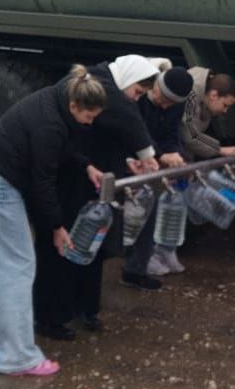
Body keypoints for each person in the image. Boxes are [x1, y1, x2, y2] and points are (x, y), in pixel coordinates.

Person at [0, 64, 107, 376]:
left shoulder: (55, 98)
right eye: (88, 117)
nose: (89, 123)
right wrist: (56, 227)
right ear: (74, 105)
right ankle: (17, 357)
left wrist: (86, 166)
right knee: (17, 266)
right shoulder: (50, 125)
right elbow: (43, 182)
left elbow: (63, 147)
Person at [33, 54, 160, 341]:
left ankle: (84, 309)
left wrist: (126, 161)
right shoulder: (98, 84)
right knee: (61, 247)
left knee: (92, 247)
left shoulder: (107, 87)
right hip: (68, 179)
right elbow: (127, 121)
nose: (136, 99)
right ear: (127, 79)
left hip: (92, 178)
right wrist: (148, 154)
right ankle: (50, 317)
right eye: (137, 92)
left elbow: (110, 134)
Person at [149, 68, 235, 276]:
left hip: (177, 155)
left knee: (176, 204)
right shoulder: (190, 94)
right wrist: (218, 149)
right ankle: (152, 253)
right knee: (160, 201)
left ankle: (167, 249)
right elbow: (188, 133)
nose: (225, 111)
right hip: (166, 153)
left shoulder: (200, 94)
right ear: (213, 95)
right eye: (225, 105)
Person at [123, 65, 193, 284]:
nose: (165, 106)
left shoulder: (174, 106)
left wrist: (176, 156)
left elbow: (172, 133)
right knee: (130, 213)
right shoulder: (137, 97)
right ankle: (129, 260)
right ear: (154, 87)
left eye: (171, 103)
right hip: (130, 157)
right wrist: (162, 156)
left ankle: (137, 267)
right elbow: (137, 131)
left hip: (151, 160)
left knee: (149, 209)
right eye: (163, 99)